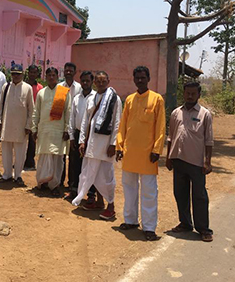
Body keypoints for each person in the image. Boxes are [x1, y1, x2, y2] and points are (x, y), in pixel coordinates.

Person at [116, 66, 165, 241]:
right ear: (133, 79)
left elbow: (160, 127)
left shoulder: (157, 99)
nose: (140, 80)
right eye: (137, 77)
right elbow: (123, 125)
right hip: (130, 152)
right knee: (129, 188)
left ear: (149, 78)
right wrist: (119, 146)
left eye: (143, 77)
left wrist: (157, 150)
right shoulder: (130, 100)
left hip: (148, 154)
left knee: (149, 191)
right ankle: (130, 220)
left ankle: (149, 227)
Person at [166, 82, 214, 242]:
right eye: (187, 93)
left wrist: (207, 162)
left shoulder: (205, 114)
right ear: (184, 93)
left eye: (193, 93)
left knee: (199, 196)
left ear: (199, 95)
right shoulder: (176, 113)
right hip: (178, 160)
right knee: (180, 194)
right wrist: (168, 157)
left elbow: (209, 140)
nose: (190, 96)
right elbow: (170, 137)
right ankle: (185, 223)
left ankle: (203, 229)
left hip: (196, 163)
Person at [72, 71, 122, 220]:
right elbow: (85, 122)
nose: (101, 84)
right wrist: (82, 141)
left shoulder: (114, 99)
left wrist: (113, 144)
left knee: (105, 176)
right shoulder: (91, 98)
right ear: (94, 83)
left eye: (103, 81)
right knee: (92, 174)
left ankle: (111, 206)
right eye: (98, 81)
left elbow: (117, 122)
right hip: (92, 143)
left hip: (105, 145)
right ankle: (99, 202)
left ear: (108, 81)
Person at [32, 67, 71, 197]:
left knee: (57, 159)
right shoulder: (41, 93)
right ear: (46, 77)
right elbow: (36, 111)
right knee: (43, 157)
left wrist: (66, 129)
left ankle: (54, 185)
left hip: (58, 131)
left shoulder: (63, 92)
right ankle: (43, 182)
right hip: (44, 130)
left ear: (57, 76)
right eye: (49, 75)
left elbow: (68, 111)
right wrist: (34, 128)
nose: (51, 77)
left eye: (54, 75)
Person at [0, 64, 34, 186]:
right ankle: (7, 174)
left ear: (22, 74)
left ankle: (18, 175)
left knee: (20, 153)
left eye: (18, 74)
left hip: (21, 126)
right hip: (7, 124)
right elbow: (0, 105)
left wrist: (28, 125)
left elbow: (31, 109)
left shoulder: (27, 88)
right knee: (6, 151)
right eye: (13, 74)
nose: (16, 76)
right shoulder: (6, 87)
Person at [65, 70, 96, 200]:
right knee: (74, 163)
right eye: (83, 81)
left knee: (90, 165)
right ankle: (73, 189)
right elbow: (72, 118)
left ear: (92, 82)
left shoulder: (96, 98)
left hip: (91, 136)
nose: (85, 83)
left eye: (87, 81)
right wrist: (72, 137)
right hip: (77, 134)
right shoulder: (76, 98)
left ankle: (91, 193)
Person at [59, 62, 81, 188]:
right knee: (61, 156)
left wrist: (70, 129)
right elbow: (58, 109)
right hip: (61, 127)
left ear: (74, 72)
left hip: (75, 127)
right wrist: (64, 128)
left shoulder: (79, 88)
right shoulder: (59, 87)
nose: (68, 72)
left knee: (73, 158)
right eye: (66, 70)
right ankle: (60, 181)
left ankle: (72, 184)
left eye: (70, 71)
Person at [24, 65, 43, 170]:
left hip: (34, 116)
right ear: (28, 73)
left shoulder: (40, 88)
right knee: (22, 139)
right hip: (23, 115)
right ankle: (20, 161)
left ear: (37, 74)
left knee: (32, 140)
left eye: (35, 72)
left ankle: (30, 161)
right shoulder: (22, 85)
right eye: (31, 72)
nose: (32, 74)